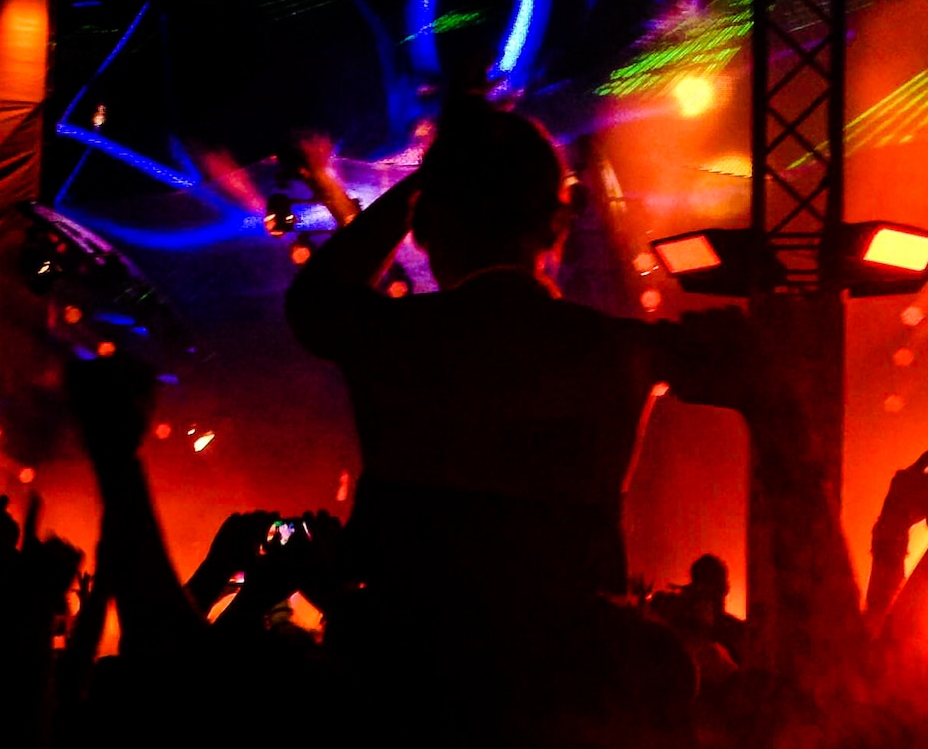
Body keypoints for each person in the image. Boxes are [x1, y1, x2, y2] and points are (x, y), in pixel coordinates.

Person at [285, 93, 748, 744]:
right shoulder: (622, 348)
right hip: (571, 691)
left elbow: (315, 298)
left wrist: (423, 183)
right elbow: (747, 371)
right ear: (557, 224)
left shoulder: (391, 338)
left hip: (405, 683)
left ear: (426, 226)